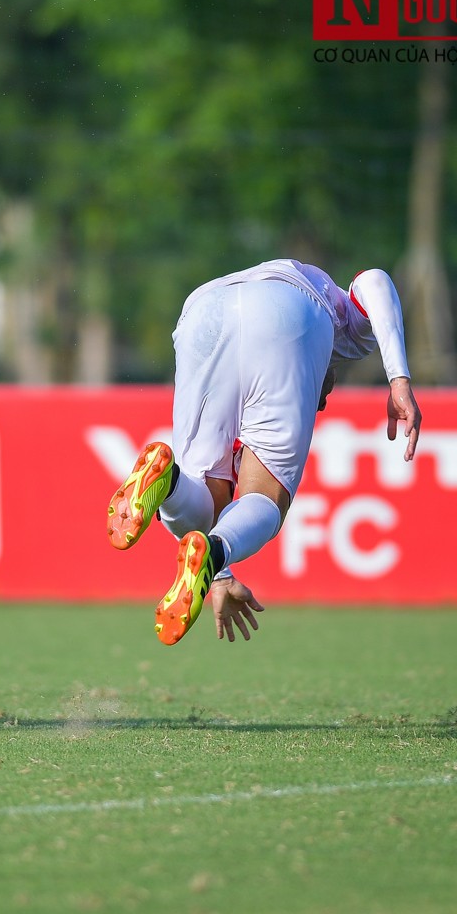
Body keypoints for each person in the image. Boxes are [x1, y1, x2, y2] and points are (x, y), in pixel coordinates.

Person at [105, 258, 421, 645]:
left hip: (203, 310)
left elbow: (210, 519)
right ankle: (211, 547)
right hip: (289, 309)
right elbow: (374, 281)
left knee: (205, 497)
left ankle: (167, 482)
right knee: (267, 499)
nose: (321, 403)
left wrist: (218, 577)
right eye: (324, 398)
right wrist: (399, 380)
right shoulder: (349, 337)